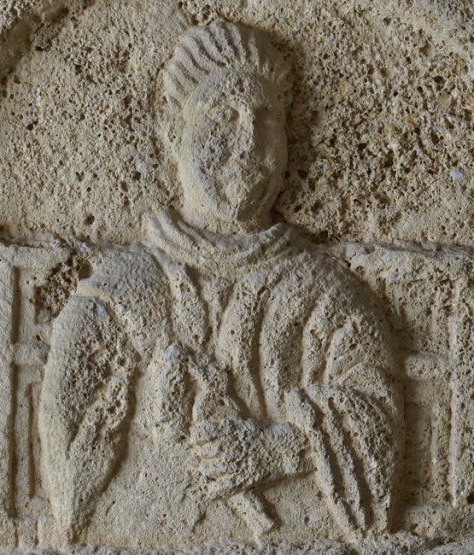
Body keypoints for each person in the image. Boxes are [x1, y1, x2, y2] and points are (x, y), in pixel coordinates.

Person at [39, 21, 402, 546]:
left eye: (265, 119)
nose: (247, 143)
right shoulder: (116, 296)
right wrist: (149, 423)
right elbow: (68, 490)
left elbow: (378, 419)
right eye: (223, 116)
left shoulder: (329, 296)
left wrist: (282, 448)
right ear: (173, 131)